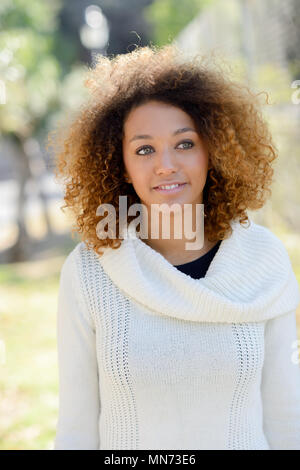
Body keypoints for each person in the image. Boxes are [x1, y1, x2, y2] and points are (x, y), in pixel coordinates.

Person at [48, 44, 300, 450]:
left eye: (185, 143)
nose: (165, 164)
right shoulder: (89, 272)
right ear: (121, 166)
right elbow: (76, 429)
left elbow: (288, 416)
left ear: (212, 151)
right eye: (144, 149)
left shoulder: (264, 260)